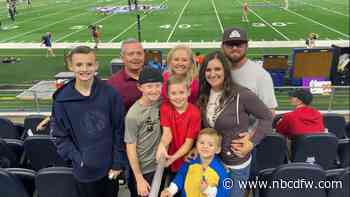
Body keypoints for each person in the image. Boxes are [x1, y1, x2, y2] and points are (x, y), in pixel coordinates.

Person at [50, 46, 126, 197]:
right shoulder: (62, 100)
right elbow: (59, 136)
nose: (84, 69)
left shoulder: (110, 94)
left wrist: (117, 162)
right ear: (71, 66)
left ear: (96, 65)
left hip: (110, 169)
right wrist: (79, 159)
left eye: (89, 64)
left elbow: (119, 130)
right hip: (84, 172)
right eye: (79, 65)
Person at [197, 51, 272, 197]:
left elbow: (267, 117)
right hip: (214, 161)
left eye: (217, 69)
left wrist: (252, 141)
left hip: (236, 164)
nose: (213, 74)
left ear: (226, 70)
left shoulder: (242, 94)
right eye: (208, 70)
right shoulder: (204, 94)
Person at [124, 68, 163, 197]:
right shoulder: (133, 115)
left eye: (158, 85)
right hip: (143, 170)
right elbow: (130, 147)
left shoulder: (161, 103)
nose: (154, 90)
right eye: (149, 86)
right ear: (140, 87)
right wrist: (139, 178)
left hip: (160, 165)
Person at [221, 27, 277, 116]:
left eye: (239, 44)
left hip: (248, 129)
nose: (234, 48)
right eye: (230, 44)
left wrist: (252, 130)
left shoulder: (261, 75)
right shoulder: (215, 73)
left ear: (247, 46)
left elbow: (269, 112)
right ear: (222, 46)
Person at [160, 128, 230, 197]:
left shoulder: (222, 170)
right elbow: (181, 176)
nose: (205, 146)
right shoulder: (189, 162)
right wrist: (171, 190)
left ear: (218, 149)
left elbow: (226, 192)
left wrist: (208, 190)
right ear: (196, 144)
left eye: (210, 145)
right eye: (202, 143)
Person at [156, 76, 201, 179]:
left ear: (188, 92)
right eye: (173, 93)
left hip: (185, 158)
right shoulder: (165, 108)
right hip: (170, 158)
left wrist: (172, 159)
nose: (178, 97)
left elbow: (188, 143)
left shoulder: (194, 113)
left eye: (181, 92)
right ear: (167, 94)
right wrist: (162, 146)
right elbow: (167, 133)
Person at [107, 38, 144, 113]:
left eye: (139, 53)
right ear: (122, 57)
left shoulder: (154, 76)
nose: (136, 57)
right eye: (131, 54)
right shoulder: (113, 84)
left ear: (144, 55)